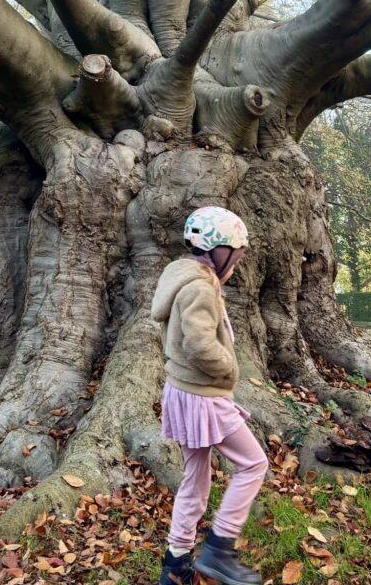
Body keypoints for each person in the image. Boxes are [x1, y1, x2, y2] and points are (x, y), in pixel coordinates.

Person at [151, 206, 268, 585]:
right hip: (203, 395)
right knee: (253, 464)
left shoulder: (183, 278)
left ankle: (175, 563)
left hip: (182, 392)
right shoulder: (200, 286)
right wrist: (229, 369)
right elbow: (200, 343)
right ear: (217, 250)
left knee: (195, 479)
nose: (239, 259)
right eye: (237, 251)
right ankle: (219, 549)